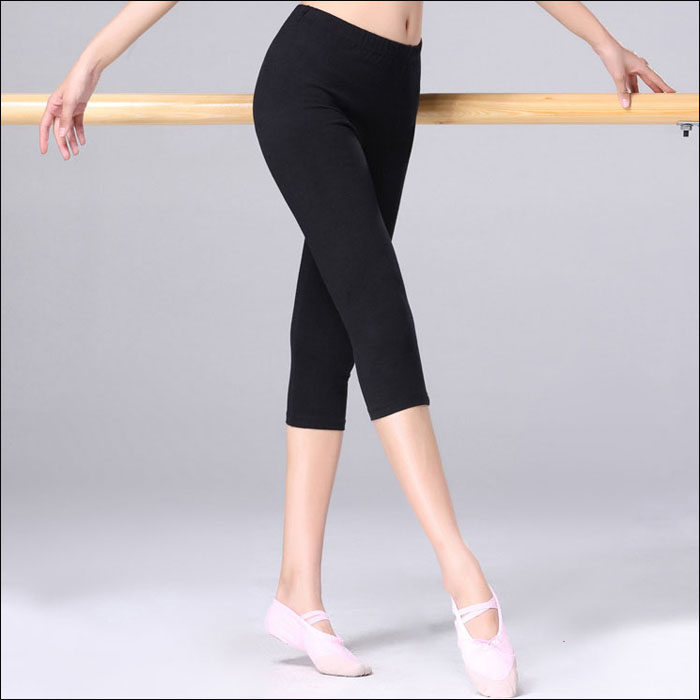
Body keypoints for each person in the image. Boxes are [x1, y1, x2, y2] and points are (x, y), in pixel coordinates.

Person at [39, 2, 674, 696]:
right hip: (311, 80)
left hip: (392, 86)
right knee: (378, 314)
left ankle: (297, 591)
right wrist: (91, 60)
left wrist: (602, 41)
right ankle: (462, 572)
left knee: (329, 329)